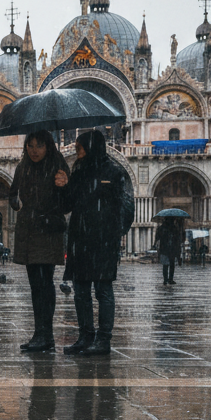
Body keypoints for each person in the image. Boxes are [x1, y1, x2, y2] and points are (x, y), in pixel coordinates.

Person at [56, 129, 135, 356]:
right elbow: (67, 206)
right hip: (80, 239)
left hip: (103, 241)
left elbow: (126, 205)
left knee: (103, 291)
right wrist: (62, 188)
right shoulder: (79, 171)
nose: (77, 151)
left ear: (91, 147)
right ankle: (85, 336)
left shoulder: (114, 171)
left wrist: (115, 233)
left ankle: (104, 340)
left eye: (80, 147)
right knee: (80, 291)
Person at [7, 130, 70, 352]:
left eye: (39, 146)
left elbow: (67, 204)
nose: (34, 151)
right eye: (30, 145)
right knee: (35, 284)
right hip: (29, 229)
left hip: (48, 229)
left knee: (45, 282)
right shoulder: (22, 167)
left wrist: (64, 186)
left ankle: (46, 334)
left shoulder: (58, 166)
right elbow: (13, 195)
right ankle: (39, 333)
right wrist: (16, 203)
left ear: (48, 147)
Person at [155, 217, 182, 285]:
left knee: (165, 265)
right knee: (171, 265)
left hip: (164, 248)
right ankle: (170, 279)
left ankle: (166, 279)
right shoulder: (174, 228)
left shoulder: (161, 228)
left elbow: (157, 237)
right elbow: (178, 239)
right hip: (172, 249)